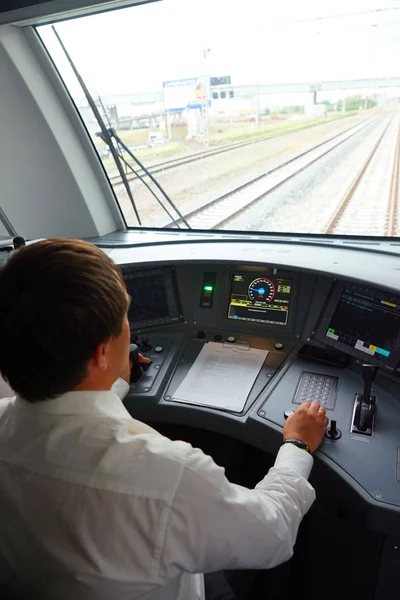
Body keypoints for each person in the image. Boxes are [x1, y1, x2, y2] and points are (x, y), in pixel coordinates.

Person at [0, 239, 328, 600]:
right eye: (123, 320)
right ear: (100, 354)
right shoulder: (166, 474)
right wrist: (297, 444)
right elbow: (273, 533)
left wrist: (114, 383)